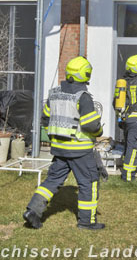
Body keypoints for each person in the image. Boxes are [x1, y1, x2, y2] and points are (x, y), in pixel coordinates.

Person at [23, 56, 104, 230]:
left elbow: (45, 118)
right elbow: (91, 125)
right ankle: (86, 222)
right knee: (89, 182)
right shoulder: (83, 97)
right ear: (86, 74)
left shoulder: (54, 94)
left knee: (52, 181)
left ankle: (33, 211)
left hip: (59, 149)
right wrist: (99, 131)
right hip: (80, 150)